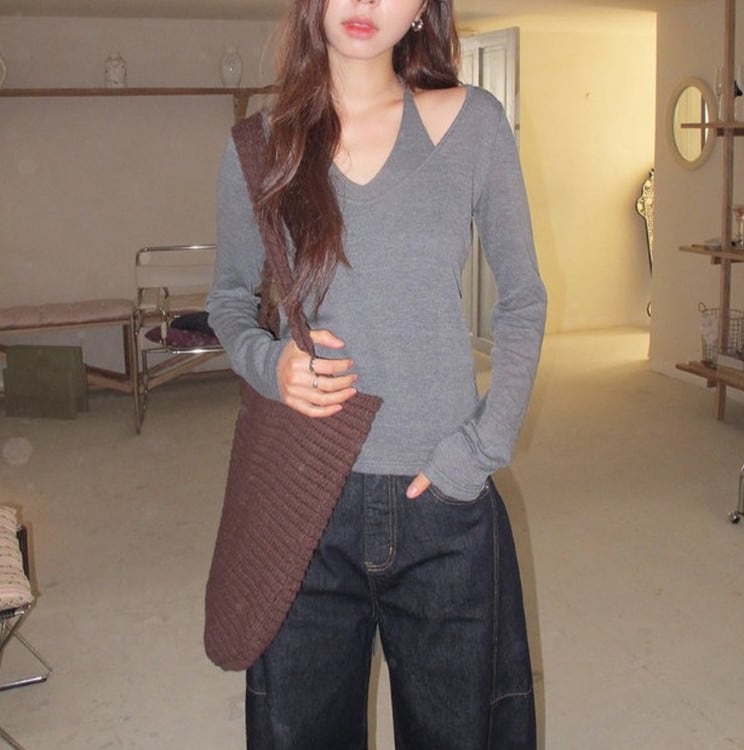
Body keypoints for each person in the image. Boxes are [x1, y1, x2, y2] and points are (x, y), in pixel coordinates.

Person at [206, 0, 547, 747]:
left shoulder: (474, 125)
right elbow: (228, 300)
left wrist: (480, 451)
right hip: (303, 498)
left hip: (444, 496)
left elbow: (523, 300)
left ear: (423, 7)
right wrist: (271, 363)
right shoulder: (261, 145)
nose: (364, 3)